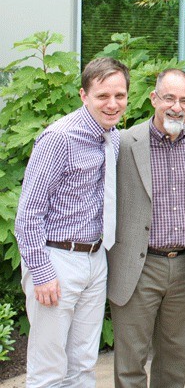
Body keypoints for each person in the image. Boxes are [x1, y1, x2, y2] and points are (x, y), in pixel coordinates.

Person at [15, 57, 130, 387]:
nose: (112, 104)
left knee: (82, 364)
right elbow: (28, 215)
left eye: (119, 95)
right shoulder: (59, 138)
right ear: (84, 95)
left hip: (95, 260)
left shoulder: (113, 138)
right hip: (57, 261)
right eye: (102, 96)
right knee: (48, 369)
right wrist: (41, 272)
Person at [107, 69, 185, 388]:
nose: (176, 107)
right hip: (137, 266)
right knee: (130, 363)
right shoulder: (123, 142)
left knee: (175, 360)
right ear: (153, 98)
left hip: (183, 267)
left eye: (184, 100)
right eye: (168, 98)